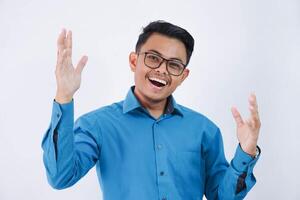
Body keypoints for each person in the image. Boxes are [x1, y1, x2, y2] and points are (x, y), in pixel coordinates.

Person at [42, 20, 261, 200]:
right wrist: (64, 95)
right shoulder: (98, 125)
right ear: (134, 61)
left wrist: (246, 151)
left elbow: (222, 198)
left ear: (183, 76)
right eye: (153, 58)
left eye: (174, 64)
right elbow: (60, 177)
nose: (162, 70)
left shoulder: (205, 130)